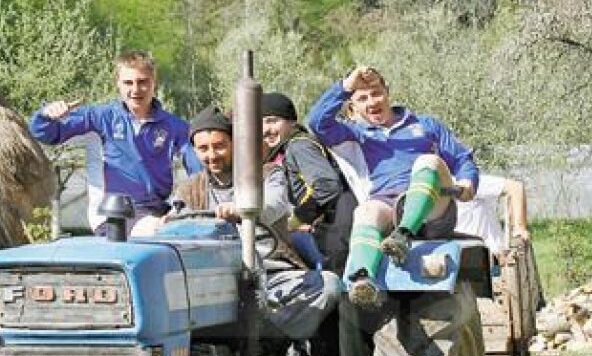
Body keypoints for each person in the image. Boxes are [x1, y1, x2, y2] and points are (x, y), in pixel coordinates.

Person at [308, 65, 479, 308]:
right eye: (362, 98)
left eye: (376, 93)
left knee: (427, 161)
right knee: (365, 212)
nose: (372, 101)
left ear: (387, 93)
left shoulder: (427, 125)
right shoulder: (356, 134)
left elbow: (462, 159)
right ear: (352, 107)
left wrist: (468, 182)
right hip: (389, 205)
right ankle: (362, 279)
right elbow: (316, 123)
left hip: (434, 207)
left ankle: (404, 235)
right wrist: (346, 85)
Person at [173, 106, 340, 341]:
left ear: (234, 144)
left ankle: (270, 338)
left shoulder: (267, 174)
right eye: (203, 148)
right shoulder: (189, 189)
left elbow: (274, 205)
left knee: (329, 285)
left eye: (219, 145)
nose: (212, 155)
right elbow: (175, 222)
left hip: (270, 272)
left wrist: (243, 210)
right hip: (212, 277)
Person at [28, 50, 202, 236]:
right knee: (156, 230)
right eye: (128, 82)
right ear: (117, 84)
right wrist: (46, 115)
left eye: (143, 82)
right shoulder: (98, 118)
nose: (135, 89)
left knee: (187, 232)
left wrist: (195, 203)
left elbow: (199, 169)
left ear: (154, 83)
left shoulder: (175, 126)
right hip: (112, 214)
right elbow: (43, 133)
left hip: (159, 212)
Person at [260, 92, 357, 274]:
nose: (266, 129)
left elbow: (326, 185)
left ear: (291, 121)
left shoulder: (299, 146)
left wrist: (297, 219)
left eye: (272, 120)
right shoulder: (288, 149)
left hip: (334, 230)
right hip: (330, 226)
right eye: (261, 123)